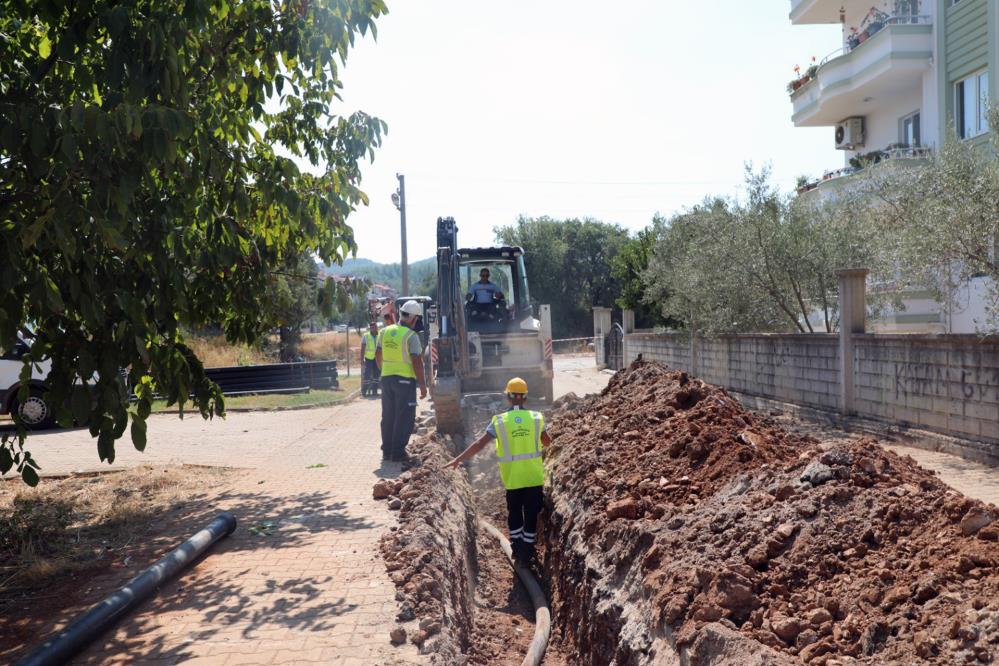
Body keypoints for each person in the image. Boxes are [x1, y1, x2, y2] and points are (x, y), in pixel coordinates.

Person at [444, 377, 550, 564]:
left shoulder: (499, 421)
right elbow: (547, 441)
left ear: (508, 397)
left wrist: (458, 459)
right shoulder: (536, 418)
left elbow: (479, 444)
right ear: (525, 397)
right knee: (532, 514)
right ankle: (527, 548)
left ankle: (517, 548)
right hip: (534, 477)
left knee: (515, 512)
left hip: (513, 479)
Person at [376, 300, 428, 464]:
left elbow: (378, 354)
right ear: (413, 318)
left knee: (389, 415)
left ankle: (387, 452)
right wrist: (422, 385)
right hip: (405, 381)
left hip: (386, 379)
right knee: (404, 416)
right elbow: (417, 362)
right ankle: (398, 453)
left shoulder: (384, 332)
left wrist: (384, 370)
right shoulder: (411, 337)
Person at [360, 322, 380, 397]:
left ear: (376, 327)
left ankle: (374, 392)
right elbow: (362, 348)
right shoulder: (366, 336)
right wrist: (361, 359)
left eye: (374, 327)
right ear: (370, 328)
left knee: (376, 375)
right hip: (368, 358)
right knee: (367, 375)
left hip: (377, 358)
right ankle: (364, 392)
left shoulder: (380, 335)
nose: (373, 328)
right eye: (371, 327)